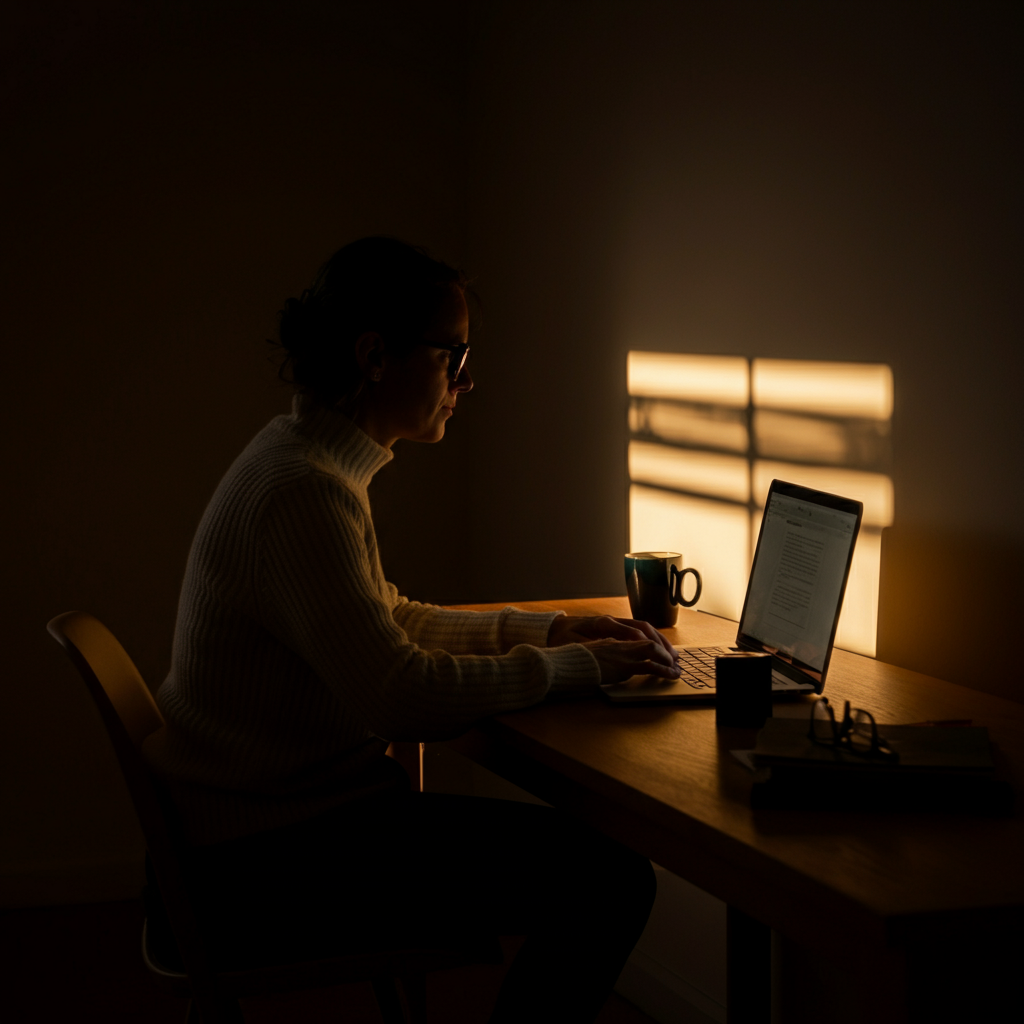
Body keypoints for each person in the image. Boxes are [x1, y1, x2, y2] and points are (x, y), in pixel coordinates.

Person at [144, 237, 682, 1022]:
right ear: (373, 355)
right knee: (613, 880)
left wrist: (551, 630)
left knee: (595, 871)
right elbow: (396, 696)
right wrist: (586, 668)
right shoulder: (304, 493)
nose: (465, 381)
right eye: (449, 356)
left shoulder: (300, 458)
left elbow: (386, 619)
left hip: (255, 833)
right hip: (262, 864)